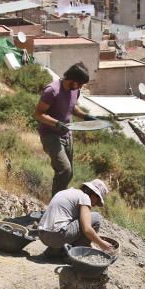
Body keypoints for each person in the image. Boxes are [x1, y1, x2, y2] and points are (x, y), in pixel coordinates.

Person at [33, 63, 102, 196]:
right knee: (64, 170)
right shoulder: (52, 90)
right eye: (80, 84)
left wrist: (86, 116)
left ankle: (60, 201)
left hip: (67, 135)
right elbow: (38, 114)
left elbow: (72, 107)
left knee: (68, 174)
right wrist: (57, 123)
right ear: (72, 79)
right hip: (50, 135)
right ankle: (55, 206)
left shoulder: (75, 90)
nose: (81, 87)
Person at [36, 179, 114, 256]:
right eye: (97, 201)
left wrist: (92, 245)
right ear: (94, 194)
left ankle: (55, 251)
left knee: (77, 220)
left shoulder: (68, 192)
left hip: (42, 234)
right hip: (57, 236)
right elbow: (87, 229)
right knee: (95, 217)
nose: (94, 205)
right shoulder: (84, 197)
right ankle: (75, 255)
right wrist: (101, 244)